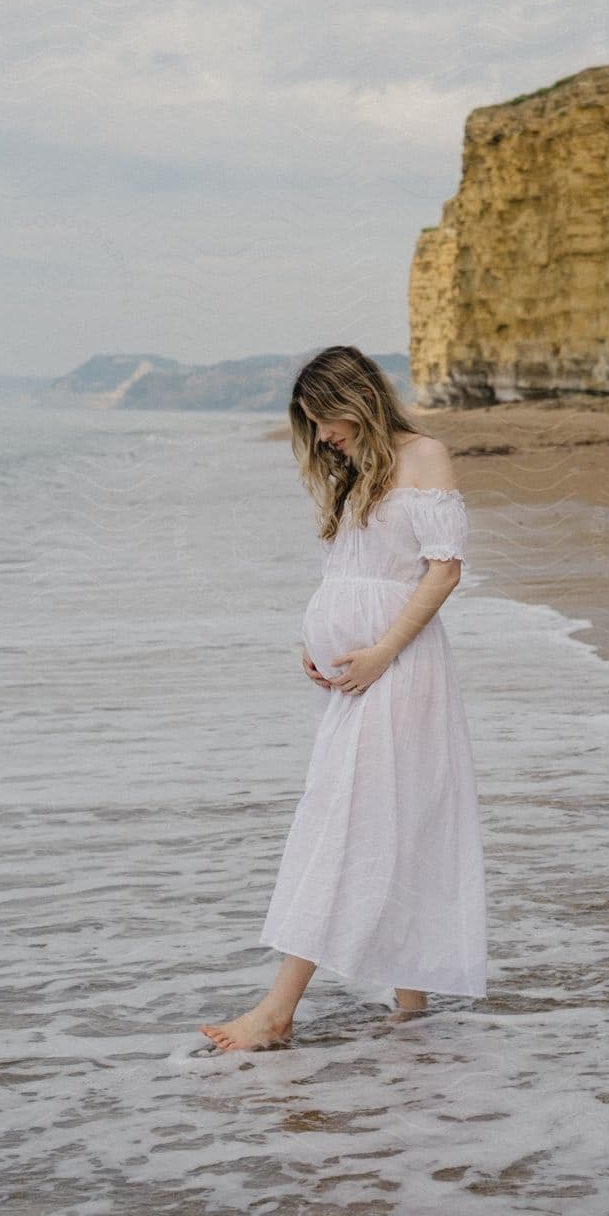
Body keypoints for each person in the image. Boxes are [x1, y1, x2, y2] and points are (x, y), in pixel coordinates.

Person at [199, 345, 487, 1053]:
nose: (323, 435)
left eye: (326, 418)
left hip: (401, 670)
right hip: (356, 680)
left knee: (349, 823)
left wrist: (383, 650)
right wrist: (315, 638)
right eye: (313, 423)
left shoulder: (423, 456)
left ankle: (277, 1012)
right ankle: (412, 1003)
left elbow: (443, 573)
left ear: (358, 397)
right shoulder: (355, 471)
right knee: (386, 819)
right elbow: (351, 572)